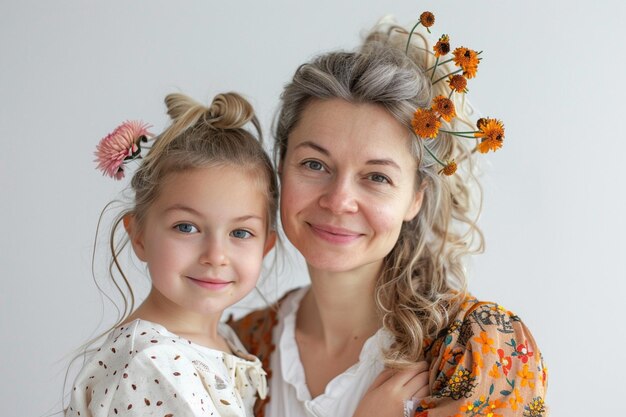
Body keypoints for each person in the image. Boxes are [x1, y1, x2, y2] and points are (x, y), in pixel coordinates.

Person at [230, 17, 548, 417]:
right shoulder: (242, 346)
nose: (339, 199)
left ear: (416, 197)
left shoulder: (478, 347)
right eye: (314, 164)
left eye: (377, 176)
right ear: (280, 166)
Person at [66, 92, 279, 417]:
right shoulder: (155, 363)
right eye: (186, 227)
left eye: (240, 233)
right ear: (138, 234)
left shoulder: (220, 338)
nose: (215, 256)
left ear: (265, 246)